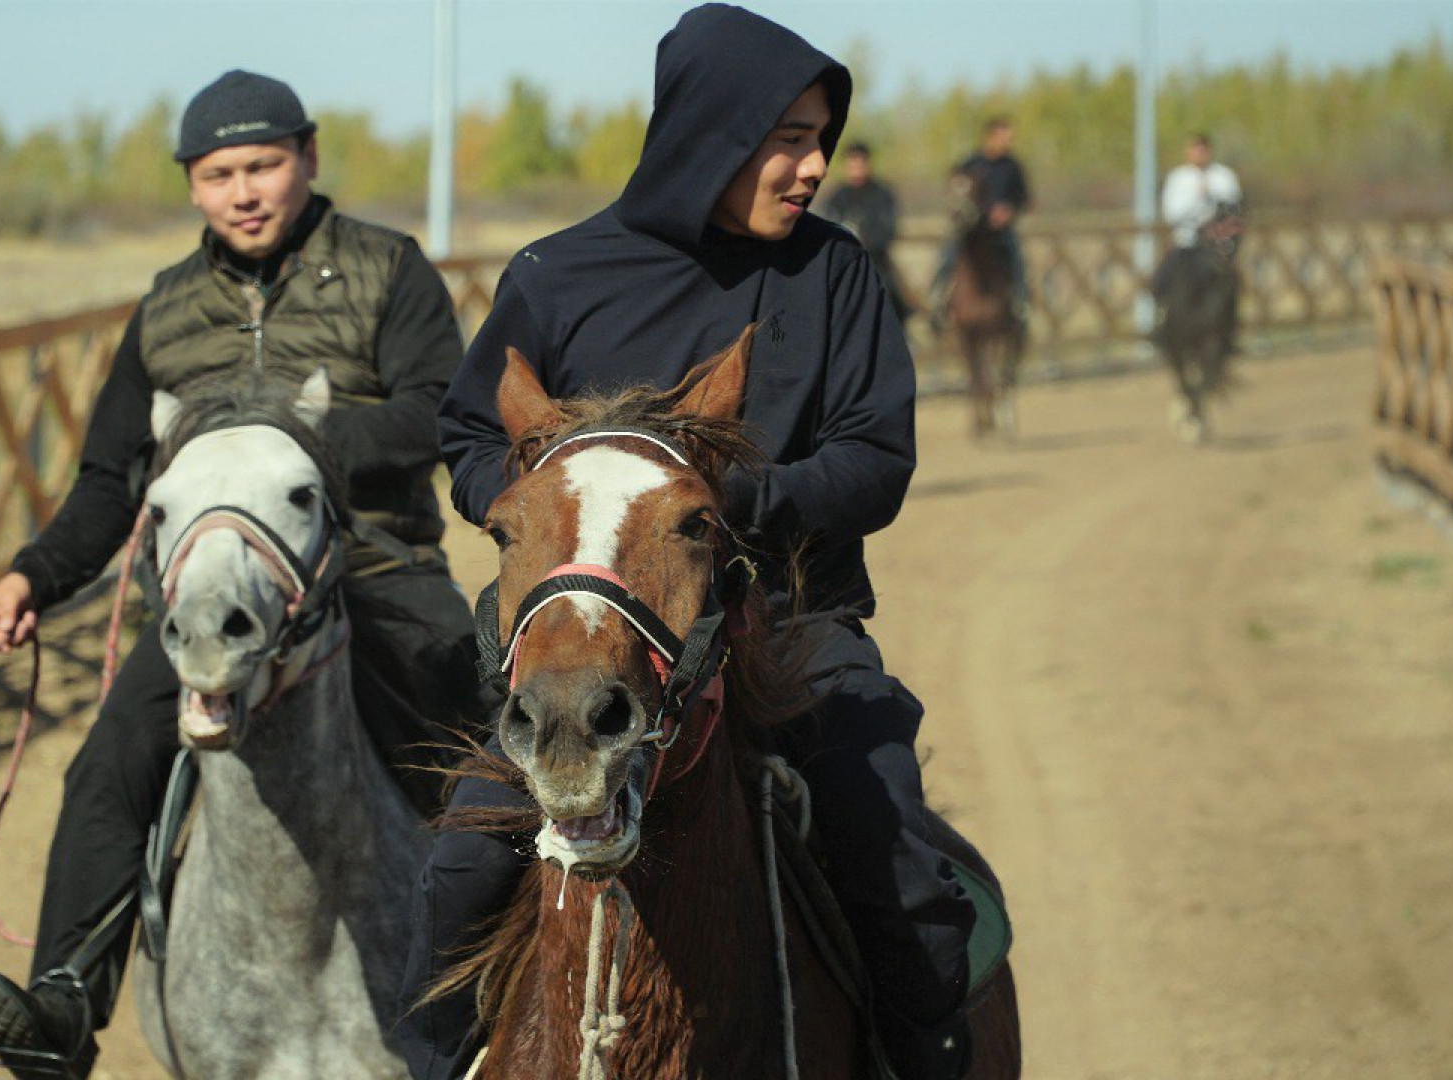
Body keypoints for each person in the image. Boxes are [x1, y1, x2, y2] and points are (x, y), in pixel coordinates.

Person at [402, 6, 977, 1080]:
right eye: (788, 139)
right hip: (590, 636)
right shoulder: (555, 273)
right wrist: (542, 513)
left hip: (796, 629)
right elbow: (475, 432)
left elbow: (875, 460)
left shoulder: (838, 275)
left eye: (820, 139)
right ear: (711, 133)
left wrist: (708, 512)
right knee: (457, 863)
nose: (812, 167)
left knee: (890, 848)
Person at [0, 69, 483, 1079]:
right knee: (109, 759)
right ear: (192, 186)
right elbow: (111, 479)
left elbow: (440, 413)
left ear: (309, 159)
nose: (244, 191)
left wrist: (296, 442)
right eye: (218, 173)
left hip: (377, 567)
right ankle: (67, 1000)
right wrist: (33, 575)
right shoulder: (164, 311)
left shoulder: (389, 269)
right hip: (215, 596)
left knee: (476, 730)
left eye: (264, 165)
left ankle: (538, 971)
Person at [929, 115, 1031, 325]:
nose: (1008, 143)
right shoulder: (969, 163)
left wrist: (1009, 210)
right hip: (970, 227)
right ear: (990, 136)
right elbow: (956, 191)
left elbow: (1023, 197)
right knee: (947, 254)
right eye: (1004, 138)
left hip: (999, 229)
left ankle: (1020, 302)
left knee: (1016, 256)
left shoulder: (1012, 166)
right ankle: (938, 300)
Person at [1153, 131, 1245, 350]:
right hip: (1186, 243)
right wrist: (1198, 199)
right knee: (1160, 281)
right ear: (1188, 152)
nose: (1199, 153)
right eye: (1195, 149)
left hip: (1216, 246)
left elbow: (1233, 209)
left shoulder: (1224, 177)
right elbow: (1171, 213)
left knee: (1231, 283)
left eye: (1203, 149)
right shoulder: (1179, 178)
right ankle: (1161, 325)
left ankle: (1230, 329)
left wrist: (1213, 200)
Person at [821, 140, 913, 322]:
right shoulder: (837, 196)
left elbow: (889, 228)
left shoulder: (882, 193)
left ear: (868, 163)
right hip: (841, 259)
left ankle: (902, 327)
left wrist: (866, 241)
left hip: (876, 259)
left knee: (893, 292)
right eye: (852, 162)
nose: (856, 167)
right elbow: (827, 224)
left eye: (860, 161)